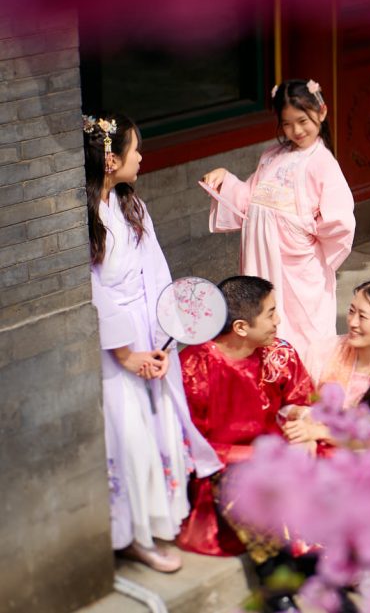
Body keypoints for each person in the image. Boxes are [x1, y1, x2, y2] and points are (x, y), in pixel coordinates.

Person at [83, 112, 221, 573]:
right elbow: (92, 291)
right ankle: (132, 534)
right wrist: (126, 353)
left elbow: (157, 271)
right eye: (134, 149)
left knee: (160, 425)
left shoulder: (133, 208)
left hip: (148, 332)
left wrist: (165, 339)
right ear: (109, 160)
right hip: (112, 345)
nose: (141, 157)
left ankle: (159, 520)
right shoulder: (83, 219)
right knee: (130, 439)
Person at [200, 79, 355, 361]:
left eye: (303, 120)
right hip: (262, 257)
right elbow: (249, 198)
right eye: (287, 124)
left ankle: (306, 391)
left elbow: (340, 221)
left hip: (299, 265)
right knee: (262, 319)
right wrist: (225, 178)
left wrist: (304, 235)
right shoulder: (271, 155)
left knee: (302, 329)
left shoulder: (324, 163)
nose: (296, 131)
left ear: (321, 111)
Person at [175, 276, 315, 558]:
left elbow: (303, 398)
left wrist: (304, 420)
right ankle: (288, 570)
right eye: (270, 313)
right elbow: (189, 445)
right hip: (224, 468)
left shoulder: (278, 353)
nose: (278, 321)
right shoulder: (193, 368)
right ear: (240, 327)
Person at [286, 278, 370, 450]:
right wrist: (305, 419)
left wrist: (322, 432)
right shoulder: (323, 351)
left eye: (363, 316)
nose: (352, 322)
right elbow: (292, 400)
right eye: (351, 311)